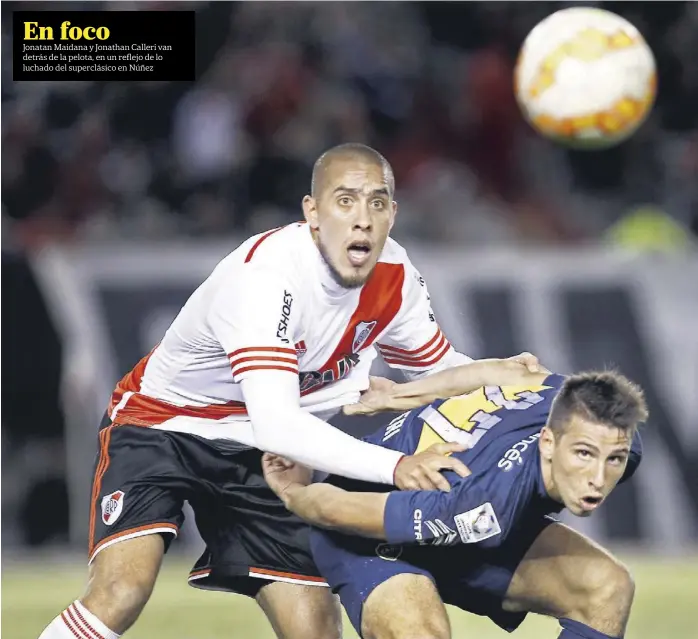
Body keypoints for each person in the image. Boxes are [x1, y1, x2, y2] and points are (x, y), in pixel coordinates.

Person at [38, 143, 543, 639]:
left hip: (269, 455)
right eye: (345, 200)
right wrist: (395, 467)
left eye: (377, 201)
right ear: (313, 212)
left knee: (316, 629)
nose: (362, 218)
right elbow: (277, 418)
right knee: (122, 591)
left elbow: (434, 373)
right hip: (166, 426)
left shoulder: (395, 274)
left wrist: (497, 375)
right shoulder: (267, 277)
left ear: (393, 213)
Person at [263, 365, 647, 639]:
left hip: (458, 524)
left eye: (612, 459)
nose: (598, 477)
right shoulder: (484, 498)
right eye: (582, 454)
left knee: (606, 586)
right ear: (549, 441)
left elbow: (507, 372)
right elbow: (334, 508)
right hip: (366, 524)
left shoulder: (597, 424)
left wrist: (398, 394)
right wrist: (292, 491)